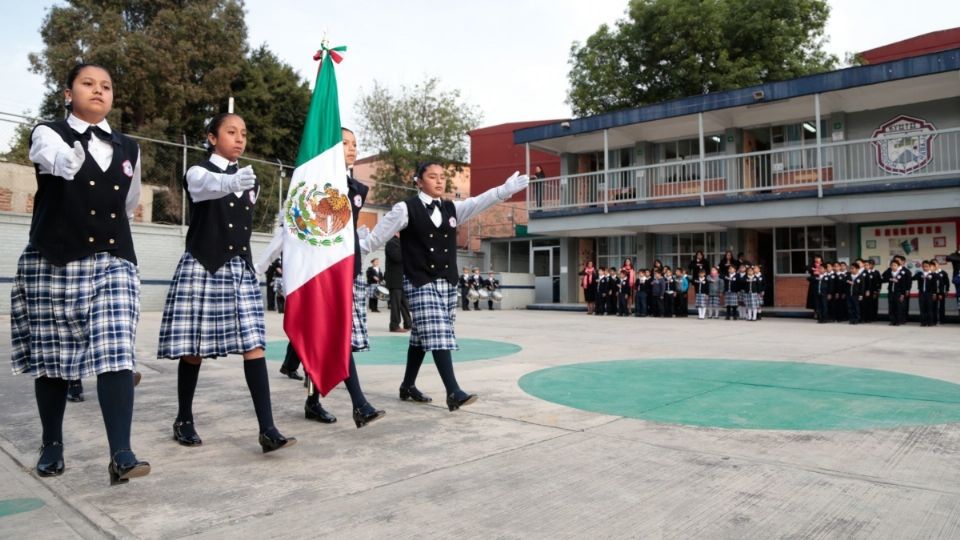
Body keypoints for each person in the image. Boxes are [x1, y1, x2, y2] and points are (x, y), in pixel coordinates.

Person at [11, 63, 149, 483]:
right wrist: (69, 160)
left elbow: (128, 202)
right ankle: (52, 442)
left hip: (113, 259)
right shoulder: (47, 132)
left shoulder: (128, 147)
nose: (98, 90)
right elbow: (52, 161)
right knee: (53, 359)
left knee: (116, 349)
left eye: (106, 86)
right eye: (88, 83)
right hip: (54, 257)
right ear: (68, 93)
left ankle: (122, 453)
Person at [157, 112, 295, 453]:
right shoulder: (198, 172)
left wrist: (258, 266)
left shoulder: (250, 179)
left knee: (255, 345)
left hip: (239, 269)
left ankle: (267, 428)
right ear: (212, 137)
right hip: (204, 265)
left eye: (243, 133)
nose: (239, 138)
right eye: (231, 132)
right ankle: (184, 419)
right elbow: (206, 189)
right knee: (193, 350)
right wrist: (232, 182)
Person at [359, 163, 528, 411]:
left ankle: (407, 385)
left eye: (442, 177)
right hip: (419, 281)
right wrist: (352, 249)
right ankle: (453, 391)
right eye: (432, 177)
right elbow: (377, 238)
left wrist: (503, 190)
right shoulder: (404, 209)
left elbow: (478, 202)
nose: (439, 181)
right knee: (438, 333)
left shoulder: (451, 208)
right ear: (418, 181)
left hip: (447, 281)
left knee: (420, 337)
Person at [259, 127, 385, 428]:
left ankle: (314, 402)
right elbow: (292, 230)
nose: (352, 148)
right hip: (320, 276)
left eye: (355, 144)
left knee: (337, 340)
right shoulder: (314, 186)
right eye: (344, 143)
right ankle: (360, 404)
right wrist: (261, 265)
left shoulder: (355, 189)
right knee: (337, 339)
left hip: (347, 272)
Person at [386, 234, 412, 332]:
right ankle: (394, 325)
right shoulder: (392, 242)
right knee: (396, 304)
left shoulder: (399, 243)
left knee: (404, 303)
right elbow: (397, 257)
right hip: (394, 278)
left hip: (400, 279)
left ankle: (408, 324)